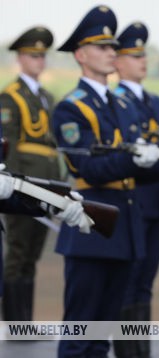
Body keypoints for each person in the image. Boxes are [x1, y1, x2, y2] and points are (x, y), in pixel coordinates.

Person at [52, 6, 159, 357]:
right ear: (81, 55)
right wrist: (133, 158)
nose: (112, 52)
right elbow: (88, 167)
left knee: (102, 336)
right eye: (102, 47)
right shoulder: (71, 108)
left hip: (125, 227)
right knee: (81, 333)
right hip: (92, 227)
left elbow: (143, 167)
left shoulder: (122, 106)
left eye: (113, 46)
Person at [112, 21, 159, 358]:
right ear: (117, 61)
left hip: (156, 200)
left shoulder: (155, 101)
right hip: (133, 199)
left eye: (143, 54)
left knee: (146, 282)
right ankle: (126, 351)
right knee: (128, 281)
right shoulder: (115, 101)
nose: (142, 60)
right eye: (133, 55)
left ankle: (142, 351)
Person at [0, 26, 63, 324]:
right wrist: (12, 187)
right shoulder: (10, 97)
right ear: (21, 58)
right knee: (18, 253)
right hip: (21, 187)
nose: (39, 61)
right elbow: (8, 146)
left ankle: (26, 321)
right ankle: (15, 323)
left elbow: (51, 146)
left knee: (33, 255)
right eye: (33, 56)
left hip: (43, 187)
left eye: (42, 56)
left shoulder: (47, 97)